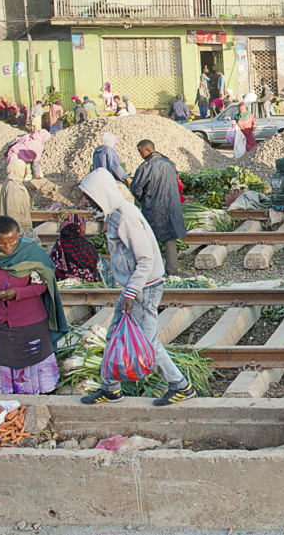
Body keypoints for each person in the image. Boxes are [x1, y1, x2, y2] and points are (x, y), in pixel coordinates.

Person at [78, 170, 195, 406]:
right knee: (113, 335)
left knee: (148, 341)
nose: (88, 202)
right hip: (135, 287)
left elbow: (145, 259)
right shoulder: (117, 213)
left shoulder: (126, 218)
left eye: (90, 197)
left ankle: (181, 385)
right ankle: (110, 388)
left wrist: (131, 292)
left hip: (142, 288)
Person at [0, 215, 66, 395]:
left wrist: (17, 293)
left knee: (34, 361)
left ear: (18, 236)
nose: (7, 247)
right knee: (1, 363)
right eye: (1, 243)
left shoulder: (31, 252)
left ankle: (42, 398)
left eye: (12, 242)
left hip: (30, 323)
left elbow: (42, 285)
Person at [130, 140, 187, 276]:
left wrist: (143, 200)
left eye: (141, 152)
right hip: (171, 206)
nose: (140, 155)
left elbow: (135, 188)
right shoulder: (169, 164)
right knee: (170, 241)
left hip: (153, 207)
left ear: (148, 151)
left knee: (151, 240)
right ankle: (172, 271)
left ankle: (153, 271)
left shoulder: (145, 167)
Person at [50, 214, 103, 283]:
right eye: (84, 226)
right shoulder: (87, 246)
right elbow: (95, 269)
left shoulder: (58, 244)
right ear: (78, 228)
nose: (85, 229)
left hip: (62, 283)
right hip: (87, 284)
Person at [0, 160, 35, 240]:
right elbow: (13, 212)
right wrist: (18, 232)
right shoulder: (14, 187)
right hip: (21, 228)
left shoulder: (10, 183)